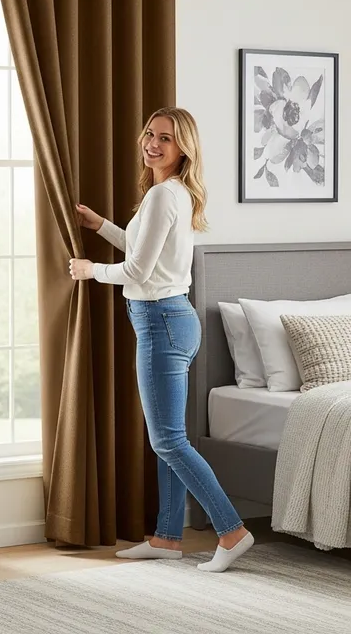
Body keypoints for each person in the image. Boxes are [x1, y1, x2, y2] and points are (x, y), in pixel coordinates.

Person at [69, 107, 253, 573]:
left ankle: (232, 531)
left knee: (169, 440)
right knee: (167, 437)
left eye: (165, 138)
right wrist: (102, 227)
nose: (153, 143)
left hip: (160, 321)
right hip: (173, 319)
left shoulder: (161, 197)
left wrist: (90, 271)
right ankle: (168, 537)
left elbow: (137, 271)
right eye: (149, 134)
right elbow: (144, 249)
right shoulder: (172, 194)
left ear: (183, 149)